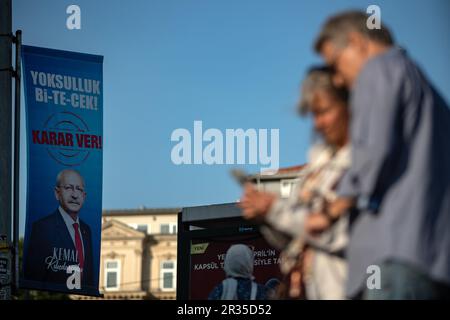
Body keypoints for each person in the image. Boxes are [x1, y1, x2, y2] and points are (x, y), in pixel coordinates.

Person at [314, 10, 450, 299]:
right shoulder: (429, 91)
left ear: (357, 43)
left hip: (392, 259)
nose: (337, 80)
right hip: (433, 260)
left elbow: (373, 152)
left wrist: (330, 211)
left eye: (335, 65)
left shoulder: (376, 70)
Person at [239, 66, 352, 299]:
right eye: (313, 114)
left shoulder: (362, 162)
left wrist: (274, 209)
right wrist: (264, 217)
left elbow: (335, 233)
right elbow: (293, 237)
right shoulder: (317, 167)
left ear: (350, 107)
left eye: (324, 111)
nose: (318, 123)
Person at [23, 169, 94, 289]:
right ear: (57, 193)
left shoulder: (86, 230)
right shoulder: (42, 228)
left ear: (84, 196)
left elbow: (88, 276)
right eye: (69, 188)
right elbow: (34, 276)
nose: (75, 195)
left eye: (79, 189)